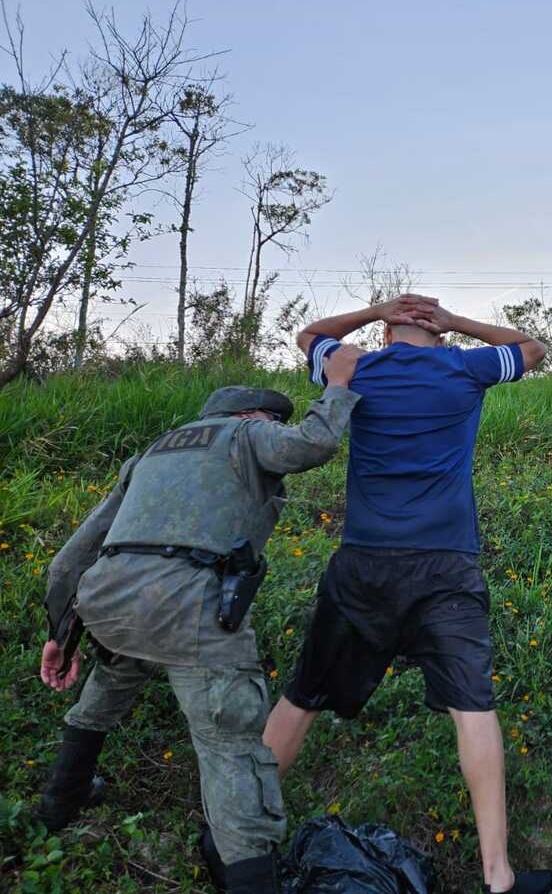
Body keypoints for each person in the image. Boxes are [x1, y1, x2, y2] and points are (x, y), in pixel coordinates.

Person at [36, 350, 364, 894]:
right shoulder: (248, 436)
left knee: (106, 686)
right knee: (229, 746)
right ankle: (251, 879)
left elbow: (71, 558)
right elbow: (312, 444)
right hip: (189, 609)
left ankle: (58, 803)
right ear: (253, 417)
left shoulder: (151, 454)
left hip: (109, 602)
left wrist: (62, 635)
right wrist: (337, 385)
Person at [262, 295, 552, 894]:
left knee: (303, 693)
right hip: (446, 564)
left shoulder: (356, 367)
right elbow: (534, 348)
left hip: (364, 560)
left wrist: (373, 312)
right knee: (473, 706)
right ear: (439, 337)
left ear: (388, 335)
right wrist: (459, 323)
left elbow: (308, 332)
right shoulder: (462, 368)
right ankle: (497, 875)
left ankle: (237, 838)